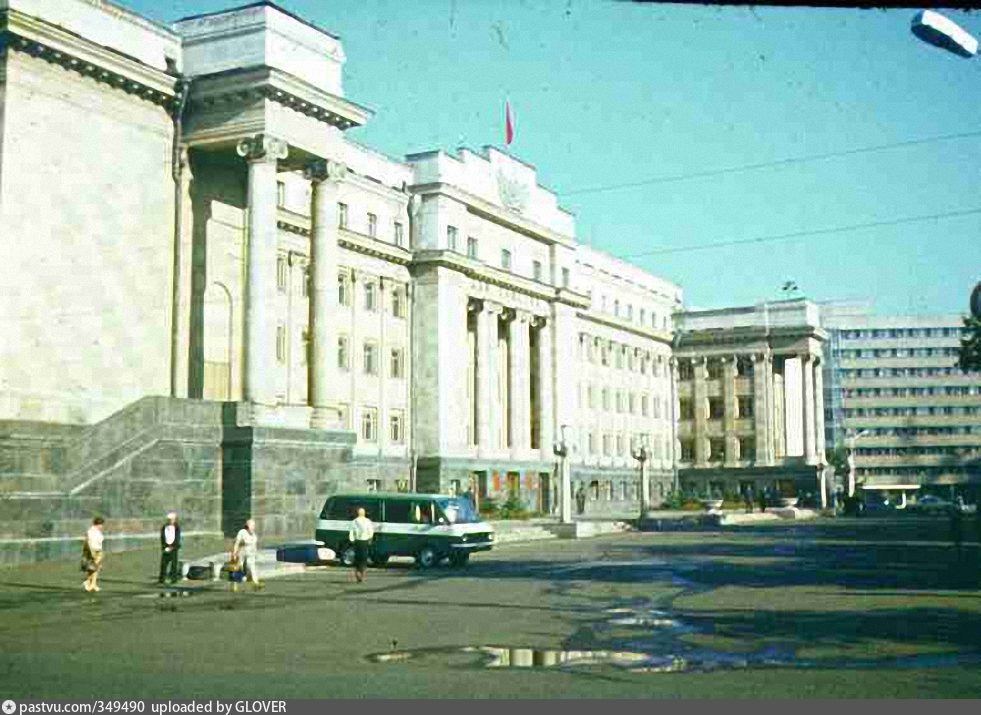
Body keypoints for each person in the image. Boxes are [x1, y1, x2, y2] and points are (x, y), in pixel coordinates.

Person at [232, 518, 262, 590]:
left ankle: (256, 583)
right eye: (252, 525)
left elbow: (254, 546)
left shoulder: (254, 535)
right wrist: (234, 553)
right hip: (242, 552)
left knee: (252, 566)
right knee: (239, 568)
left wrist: (256, 554)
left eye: (254, 525)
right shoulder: (242, 532)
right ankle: (235, 584)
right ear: (247, 526)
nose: (253, 527)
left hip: (250, 553)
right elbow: (237, 543)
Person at [349, 507, 375, 583]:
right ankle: (362, 575)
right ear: (364, 513)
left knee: (357, 559)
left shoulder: (354, 521)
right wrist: (370, 539)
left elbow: (351, 532)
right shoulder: (368, 521)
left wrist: (352, 540)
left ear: (357, 513)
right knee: (364, 559)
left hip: (357, 541)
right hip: (365, 541)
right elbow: (371, 532)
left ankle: (357, 575)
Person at [82, 517, 105, 592]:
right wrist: (91, 552)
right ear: (98, 524)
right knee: (93, 567)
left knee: (96, 568)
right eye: (101, 524)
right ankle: (88, 582)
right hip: (93, 551)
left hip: (98, 551)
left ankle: (93, 584)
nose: (102, 526)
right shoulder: (91, 531)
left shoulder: (98, 531)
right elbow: (88, 542)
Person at [158, 511, 182, 585]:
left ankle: (174, 579)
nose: (171, 521)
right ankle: (161, 579)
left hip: (174, 548)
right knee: (163, 564)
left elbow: (177, 538)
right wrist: (164, 546)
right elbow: (162, 537)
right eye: (169, 520)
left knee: (174, 565)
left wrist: (174, 546)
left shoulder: (177, 528)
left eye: (172, 519)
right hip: (166, 547)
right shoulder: (164, 527)